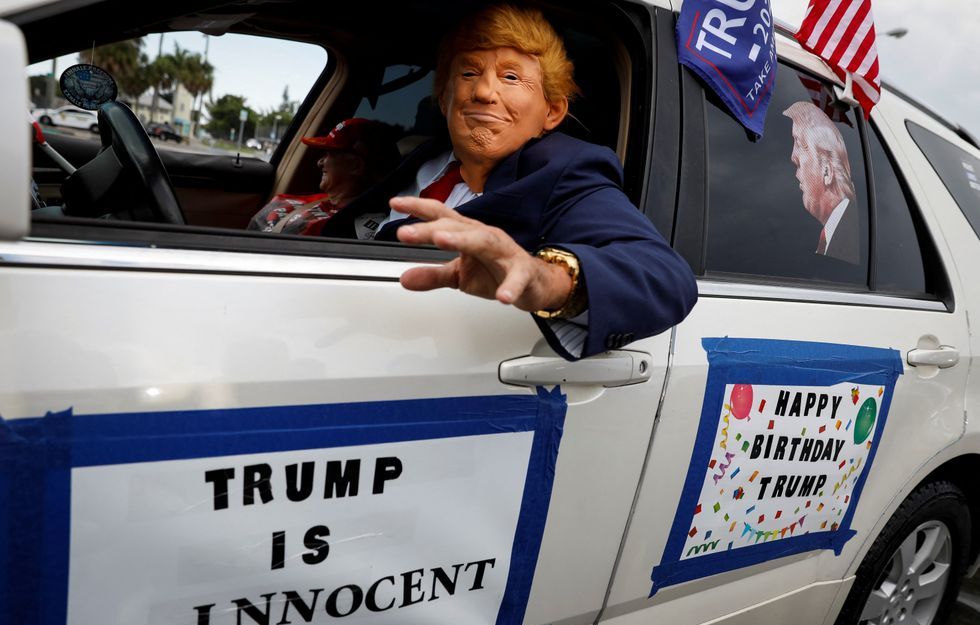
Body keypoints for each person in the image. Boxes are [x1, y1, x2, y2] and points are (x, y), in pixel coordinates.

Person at [369, 4, 697, 361]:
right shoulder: (417, 157)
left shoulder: (565, 171)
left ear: (552, 112)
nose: (483, 92)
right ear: (445, 97)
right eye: (467, 72)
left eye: (511, 77)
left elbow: (665, 278)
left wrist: (547, 280)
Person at [248, 118, 400, 237]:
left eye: (329, 154)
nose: (319, 162)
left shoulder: (353, 228)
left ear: (356, 166)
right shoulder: (296, 200)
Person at [783, 101, 859, 265]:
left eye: (799, 143)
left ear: (827, 171)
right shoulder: (841, 233)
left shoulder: (846, 241)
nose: (793, 156)